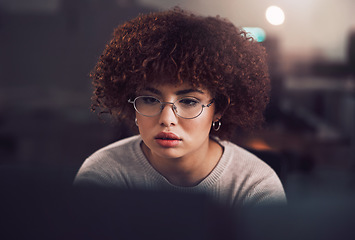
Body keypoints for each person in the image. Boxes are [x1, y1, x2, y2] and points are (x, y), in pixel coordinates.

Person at [74, 8, 286, 207]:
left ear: (219, 108)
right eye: (149, 99)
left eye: (189, 102)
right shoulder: (103, 175)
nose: (167, 119)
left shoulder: (255, 186)